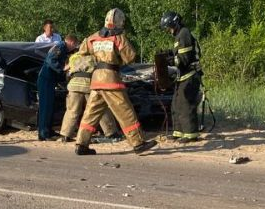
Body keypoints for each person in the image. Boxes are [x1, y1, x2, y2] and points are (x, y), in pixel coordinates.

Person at [74, 9, 158, 156]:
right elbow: (130, 57)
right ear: (120, 22)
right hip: (111, 80)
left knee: (90, 113)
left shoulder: (93, 37)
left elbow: (81, 53)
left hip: (96, 80)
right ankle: (138, 143)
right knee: (126, 111)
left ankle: (81, 144)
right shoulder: (118, 38)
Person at [60, 41, 121, 142]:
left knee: (72, 110)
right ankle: (111, 132)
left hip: (74, 85)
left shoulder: (74, 57)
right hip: (89, 84)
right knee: (99, 108)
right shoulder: (95, 57)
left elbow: (68, 71)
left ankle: (66, 135)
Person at [160, 11, 202, 142]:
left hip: (190, 76)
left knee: (185, 105)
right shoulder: (180, 35)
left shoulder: (184, 34)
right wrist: (167, 53)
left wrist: (169, 61)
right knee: (176, 104)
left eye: (169, 27)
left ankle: (190, 134)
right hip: (183, 77)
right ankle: (178, 132)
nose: (168, 30)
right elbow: (177, 53)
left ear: (175, 24)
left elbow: (184, 59)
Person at [36, 34, 78, 140]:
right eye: (75, 45)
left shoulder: (63, 48)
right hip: (46, 79)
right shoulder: (60, 46)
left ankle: (48, 130)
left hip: (50, 80)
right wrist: (63, 68)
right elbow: (51, 60)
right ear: (71, 42)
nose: (74, 47)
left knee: (49, 106)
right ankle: (43, 133)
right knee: (45, 107)